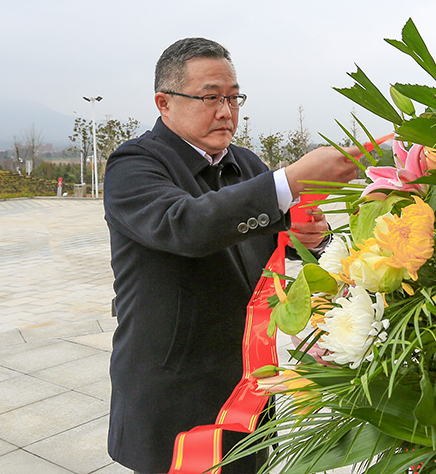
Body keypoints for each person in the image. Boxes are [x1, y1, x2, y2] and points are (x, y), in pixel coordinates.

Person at [104, 37, 360, 474]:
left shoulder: (246, 164)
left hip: (246, 376)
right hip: (173, 379)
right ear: (164, 103)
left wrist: (312, 237)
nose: (226, 111)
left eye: (233, 97)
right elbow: (187, 224)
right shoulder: (135, 164)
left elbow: (279, 232)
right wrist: (291, 179)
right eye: (209, 97)